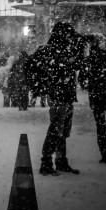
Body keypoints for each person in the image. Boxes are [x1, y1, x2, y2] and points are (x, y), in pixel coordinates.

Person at [36, 21, 84, 175]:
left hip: (66, 95)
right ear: (62, 33)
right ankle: (46, 163)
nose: (71, 37)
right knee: (56, 129)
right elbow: (61, 69)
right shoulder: (54, 50)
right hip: (59, 95)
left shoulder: (65, 49)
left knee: (62, 130)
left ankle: (61, 161)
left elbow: (76, 65)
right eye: (69, 33)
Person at [79, 33, 106, 163]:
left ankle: (104, 152)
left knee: (100, 125)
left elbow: (81, 79)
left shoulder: (88, 61)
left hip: (96, 95)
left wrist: (89, 86)